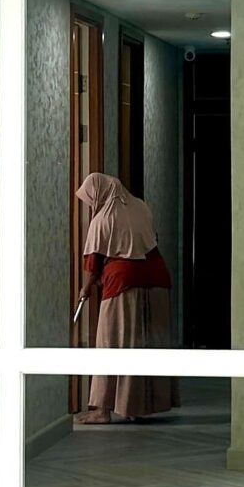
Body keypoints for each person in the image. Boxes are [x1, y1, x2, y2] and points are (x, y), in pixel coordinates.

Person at [76, 172, 177, 423]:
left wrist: (85, 289)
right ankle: (138, 406)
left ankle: (102, 410)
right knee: (148, 343)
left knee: (111, 342)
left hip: (122, 282)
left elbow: (93, 263)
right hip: (157, 278)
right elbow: (153, 239)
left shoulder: (102, 219)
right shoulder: (141, 206)